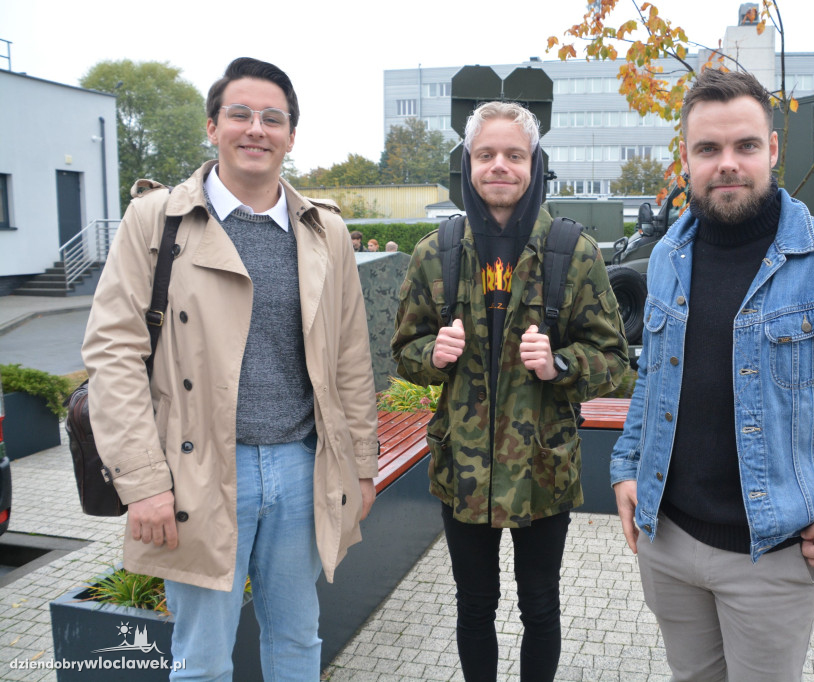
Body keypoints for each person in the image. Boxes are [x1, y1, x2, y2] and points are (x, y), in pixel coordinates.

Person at [609, 69, 814, 681]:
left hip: (773, 558)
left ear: (773, 149)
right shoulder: (666, 258)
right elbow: (654, 375)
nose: (727, 163)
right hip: (668, 543)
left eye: (745, 145)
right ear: (685, 158)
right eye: (708, 148)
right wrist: (628, 463)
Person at [82, 57, 380, 681]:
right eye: (240, 114)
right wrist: (144, 482)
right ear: (213, 126)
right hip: (198, 470)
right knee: (202, 658)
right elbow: (114, 353)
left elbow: (350, 359)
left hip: (302, 466)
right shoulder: (157, 219)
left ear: (291, 136)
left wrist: (361, 466)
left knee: (297, 640)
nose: (256, 129)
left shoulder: (324, 231)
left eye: (273, 118)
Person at [391, 101, 628, 682]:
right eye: (486, 154)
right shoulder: (436, 253)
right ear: (468, 164)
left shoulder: (573, 253)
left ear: (534, 163)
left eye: (514, 155)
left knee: (540, 607)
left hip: (543, 470)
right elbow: (403, 352)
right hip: (462, 469)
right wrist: (432, 355)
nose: (500, 165)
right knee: (474, 606)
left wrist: (561, 364)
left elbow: (616, 363)